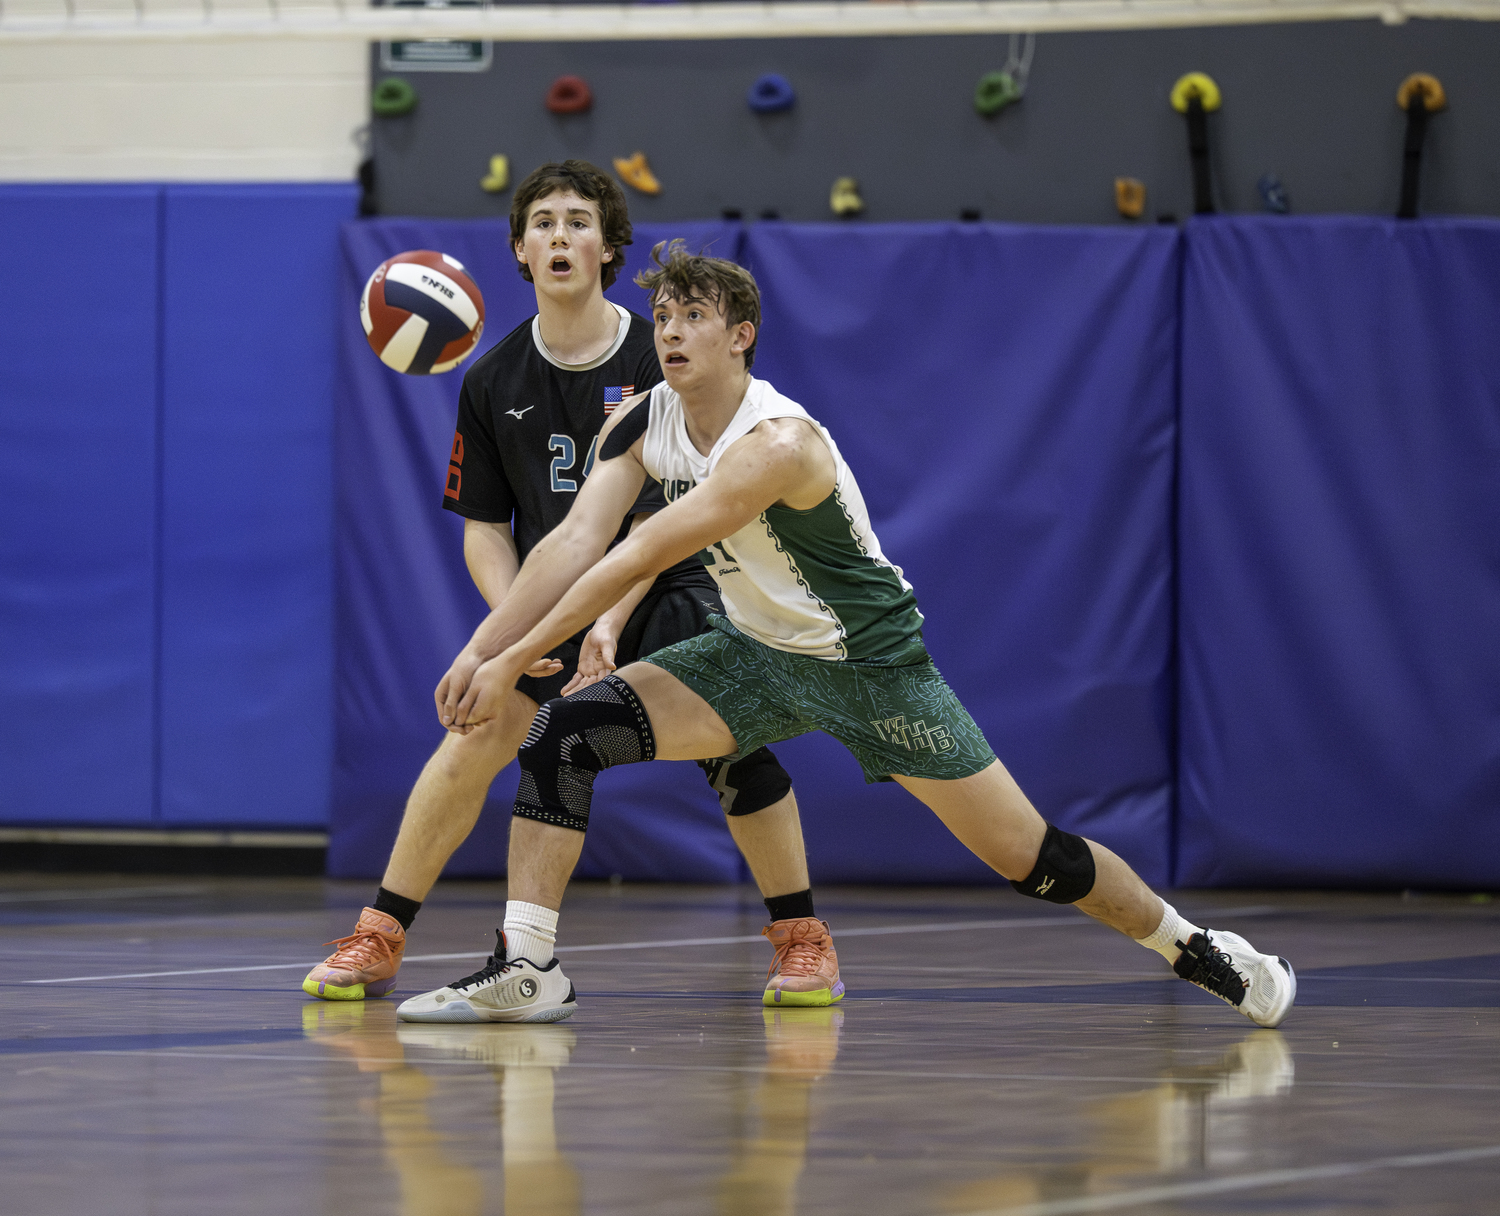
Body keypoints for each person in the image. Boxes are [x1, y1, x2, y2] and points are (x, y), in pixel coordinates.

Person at [395, 241, 1297, 1029]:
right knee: (564, 733)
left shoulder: (775, 445)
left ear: (740, 333)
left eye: (694, 316)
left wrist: (510, 656)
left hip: (870, 669)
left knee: (1034, 861)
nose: (668, 331)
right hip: (751, 656)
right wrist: (485, 648)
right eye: (662, 314)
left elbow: (640, 557)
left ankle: (1194, 946)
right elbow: (575, 541)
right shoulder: (642, 420)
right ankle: (529, 968)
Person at [304, 164, 843, 1013]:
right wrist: (517, 628)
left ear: (608, 247)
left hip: (676, 584)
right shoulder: (491, 379)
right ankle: (380, 932)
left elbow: (665, 521)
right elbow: (485, 526)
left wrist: (599, 614)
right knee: (475, 729)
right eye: (544, 223)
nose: (561, 235)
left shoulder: (660, 349)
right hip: (558, 599)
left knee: (732, 742)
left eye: (579, 221)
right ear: (519, 250)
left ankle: (802, 939)